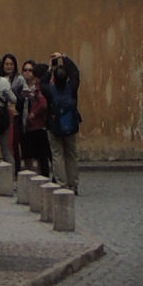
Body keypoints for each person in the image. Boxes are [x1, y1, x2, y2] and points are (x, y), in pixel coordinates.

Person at [47, 53, 83, 194]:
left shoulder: (50, 90)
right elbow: (75, 72)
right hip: (70, 123)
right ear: (67, 77)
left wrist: (49, 68)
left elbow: (42, 81)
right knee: (71, 154)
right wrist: (64, 57)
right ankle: (73, 184)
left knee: (57, 155)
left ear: (54, 78)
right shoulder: (72, 87)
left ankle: (61, 184)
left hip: (54, 124)